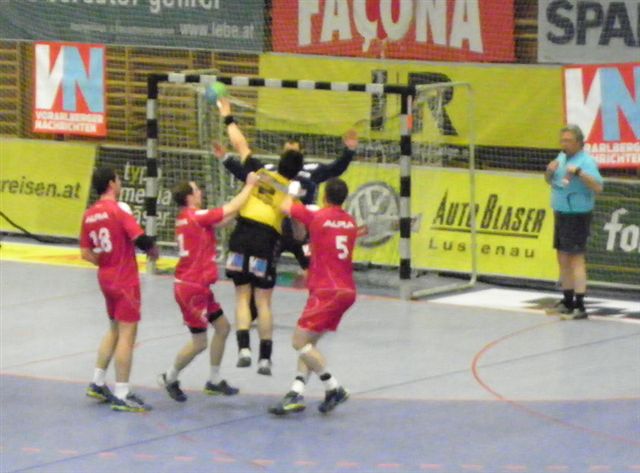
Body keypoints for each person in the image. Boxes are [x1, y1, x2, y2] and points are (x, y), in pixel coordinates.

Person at [218, 131, 359, 318]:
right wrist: (226, 159)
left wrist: (349, 151)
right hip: (276, 230)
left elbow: (335, 169)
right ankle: (253, 310)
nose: (290, 154)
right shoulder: (271, 172)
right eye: (287, 151)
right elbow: (246, 171)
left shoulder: (311, 171)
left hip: (300, 228)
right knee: (263, 271)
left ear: (302, 154)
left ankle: (317, 307)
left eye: (294, 151)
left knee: (312, 267)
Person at [217, 98, 304, 375]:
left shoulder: (260, 173)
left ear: (279, 162)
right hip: (265, 241)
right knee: (263, 301)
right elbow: (299, 231)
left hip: (241, 235)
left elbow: (240, 144)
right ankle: (265, 358)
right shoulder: (290, 192)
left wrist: (228, 116)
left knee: (242, 296)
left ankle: (243, 349)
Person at [157, 172, 258, 402]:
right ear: (189, 197)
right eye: (196, 190)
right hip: (191, 288)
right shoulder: (196, 215)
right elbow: (229, 208)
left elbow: (225, 218)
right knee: (199, 342)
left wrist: (245, 204)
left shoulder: (188, 218)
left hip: (198, 286)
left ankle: (214, 380)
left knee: (222, 328)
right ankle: (169, 377)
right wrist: (249, 186)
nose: (200, 192)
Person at [269, 178, 357, 415]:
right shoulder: (350, 221)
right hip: (346, 291)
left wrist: (292, 192)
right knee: (308, 344)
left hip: (326, 290)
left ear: (325, 196)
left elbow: (285, 207)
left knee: (299, 342)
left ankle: (334, 387)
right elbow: (304, 234)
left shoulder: (318, 216)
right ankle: (296, 392)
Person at [81, 167, 159, 412]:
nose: (121, 182)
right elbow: (139, 238)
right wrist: (153, 251)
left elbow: (85, 253)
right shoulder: (118, 210)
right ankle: (122, 393)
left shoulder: (89, 214)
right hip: (125, 279)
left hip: (105, 277)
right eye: (118, 179)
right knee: (127, 334)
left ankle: (97, 382)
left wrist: (106, 261)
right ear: (111, 183)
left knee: (114, 328)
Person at [544, 124, 603, 320]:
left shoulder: (586, 161)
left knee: (576, 259)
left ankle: (580, 305)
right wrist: (549, 171)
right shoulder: (561, 158)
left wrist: (579, 173)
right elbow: (549, 181)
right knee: (562, 257)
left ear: (578, 142)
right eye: (562, 140)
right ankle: (567, 301)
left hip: (577, 214)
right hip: (561, 211)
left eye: (568, 141)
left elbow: (598, 187)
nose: (564, 144)